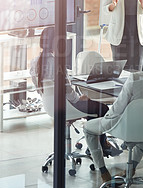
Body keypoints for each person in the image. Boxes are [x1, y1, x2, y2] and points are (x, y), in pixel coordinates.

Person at [83, 42, 143, 184]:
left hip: (125, 126)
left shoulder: (136, 78)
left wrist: (106, 119)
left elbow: (118, 108)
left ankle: (103, 171)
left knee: (88, 129)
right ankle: (131, 167)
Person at [30, 26, 117, 155]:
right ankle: (99, 146)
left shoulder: (35, 62)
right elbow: (68, 90)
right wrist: (79, 98)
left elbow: (40, 87)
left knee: (93, 109)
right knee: (102, 109)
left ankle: (96, 144)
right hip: (68, 106)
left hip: (50, 106)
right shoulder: (57, 63)